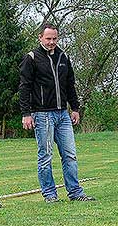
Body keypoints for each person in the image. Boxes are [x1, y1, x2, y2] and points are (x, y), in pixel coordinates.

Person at [19, 23, 95, 203]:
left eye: (54, 38)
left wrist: (75, 108)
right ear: (40, 38)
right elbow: (24, 87)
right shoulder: (31, 58)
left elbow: (70, 85)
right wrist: (26, 113)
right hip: (42, 114)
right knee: (45, 156)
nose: (52, 42)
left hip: (63, 114)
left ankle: (75, 192)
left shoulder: (63, 57)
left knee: (70, 154)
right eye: (48, 38)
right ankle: (50, 194)